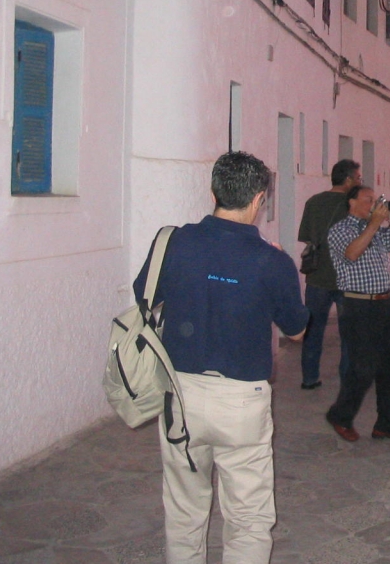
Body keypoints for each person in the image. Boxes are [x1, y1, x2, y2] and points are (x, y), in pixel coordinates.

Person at [132, 152, 309, 564]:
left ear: (213, 191)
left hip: (181, 396)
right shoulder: (273, 261)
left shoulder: (174, 243)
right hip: (241, 403)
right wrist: (286, 275)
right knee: (248, 518)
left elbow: (146, 296)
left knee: (184, 513)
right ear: (259, 199)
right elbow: (298, 331)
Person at [325, 186, 390, 442]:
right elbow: (352, 253)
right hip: (358, 306)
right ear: (352, 202)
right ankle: (339, 415)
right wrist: (374, 225)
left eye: (376, 201)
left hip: (384, 304)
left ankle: (387, 425)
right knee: (363, 367)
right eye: (368, 200)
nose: (374, 204)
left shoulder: (375, 230)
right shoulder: (341, 230)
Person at [296, 158, 361, 390]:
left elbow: (306, 235)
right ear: (348, 180)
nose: (360, 182)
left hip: (317, 277)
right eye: (358, 178)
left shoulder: (313, 202)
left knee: (313, 332)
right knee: (349, 335)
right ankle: (348, 381)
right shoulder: (354, 204)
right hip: (348, 279)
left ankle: (309, 378)